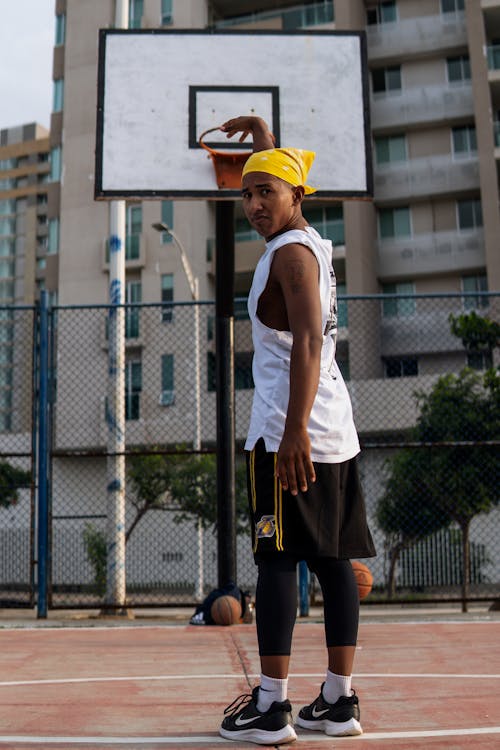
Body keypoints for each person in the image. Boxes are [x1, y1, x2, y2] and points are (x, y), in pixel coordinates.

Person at [217, 115, 376, 746]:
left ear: (297, 196)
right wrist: (260, 132)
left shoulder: (288, 255)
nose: (254, 204)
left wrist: (290, 436)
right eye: (246, 195)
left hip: (293, 431)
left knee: (278, 559)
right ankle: (338, 702)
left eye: (265, 194)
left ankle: (271, 706)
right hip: (332, 425)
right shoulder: (308, 240)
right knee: (334, 561)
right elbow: (278, 170)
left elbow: (309, 338)